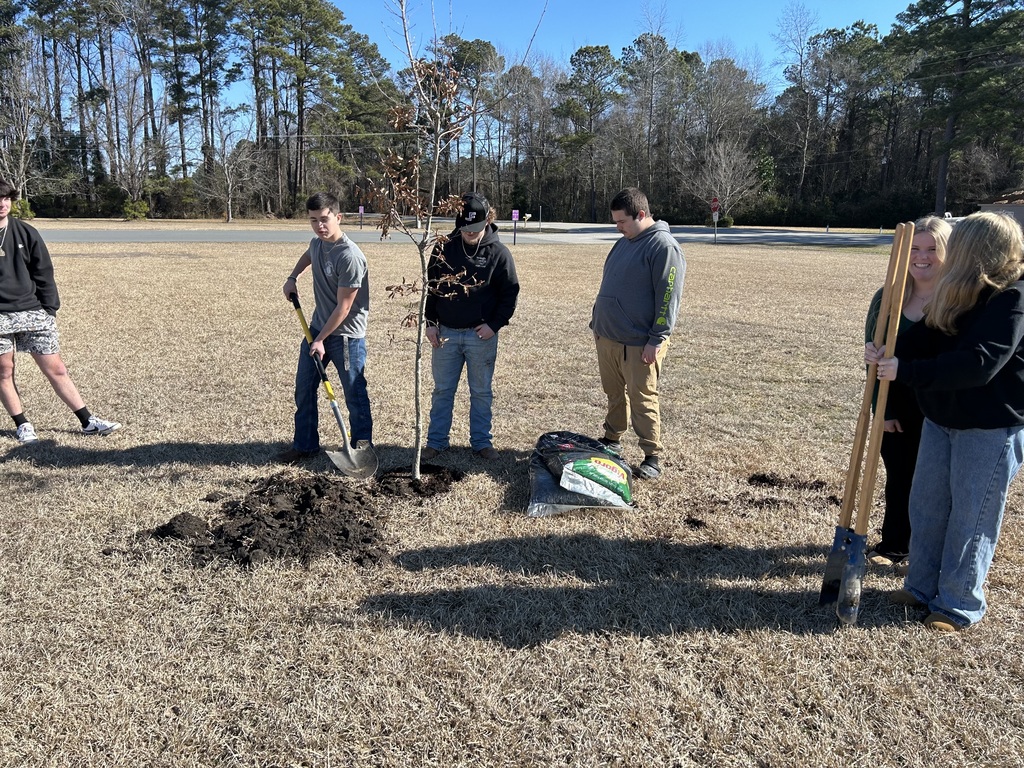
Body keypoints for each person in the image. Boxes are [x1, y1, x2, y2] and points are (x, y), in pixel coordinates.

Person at [874, 212, 1024, 631]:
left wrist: (905, 370)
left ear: (980, 251)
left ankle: (959, 604)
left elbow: (978, 364)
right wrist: (887, 349)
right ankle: (920, 587)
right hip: (942, 420)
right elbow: (928, 335)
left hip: (990, 427)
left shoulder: (1012, 298)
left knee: (971, 516)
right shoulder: (962, 292)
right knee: (928, 506)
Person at [0, 180, 120, 443]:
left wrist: (49, 308)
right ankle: (22, 424)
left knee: (56, 368)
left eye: (7, 199)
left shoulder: (25, 232)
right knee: (4, 370)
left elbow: (43, 272)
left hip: (32, 312)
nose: (2, 204)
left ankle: (88, 421)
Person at [863, 216, 952, 567]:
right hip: (896, 405)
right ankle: (895, 545)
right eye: (915, 248)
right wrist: (879, 411)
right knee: (900, 477)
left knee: (937, 485)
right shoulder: (888, 297)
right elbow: (872, 358)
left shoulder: (957, 298)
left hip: (941, 406)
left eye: (933, 249)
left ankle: (932, 552)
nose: (922, 257)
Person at [590, 187, 685, 480]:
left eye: (622, 222)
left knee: (643, 398)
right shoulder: (624, 242)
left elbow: (668, 297)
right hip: (608, 336)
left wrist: (657, 338)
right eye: (615, 222)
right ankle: (612, 439)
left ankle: (651, 455)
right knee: (614, 394)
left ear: (641, 215)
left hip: (639, 343)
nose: (618, 228)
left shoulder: (663, 247)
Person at [421, 192, 519, 461]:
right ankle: (436, 441)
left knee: (481, 391)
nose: (469, 234)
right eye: (465, 228)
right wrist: (430, 323)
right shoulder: (443, 248)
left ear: (488, 220)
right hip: (446, 334)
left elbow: (510, 293)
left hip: (481, 335)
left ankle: (481, 442)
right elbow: (431, 288)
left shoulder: (499, 253)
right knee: (442, 390)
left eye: (475, 229)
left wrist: (495, 325)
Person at [278, 192, 372, 463]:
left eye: (324, 219)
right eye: (313, 220)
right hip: (318, 330)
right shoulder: (317, 244)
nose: (319, 226)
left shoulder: (350, 256)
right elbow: (309, 254)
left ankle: (361, 448)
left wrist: (320, 339)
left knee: (354, 393)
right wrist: (292, 277)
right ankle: (305, 445)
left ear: (338, 217)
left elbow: (343, 308)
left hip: (345, 336)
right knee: (304, 388)